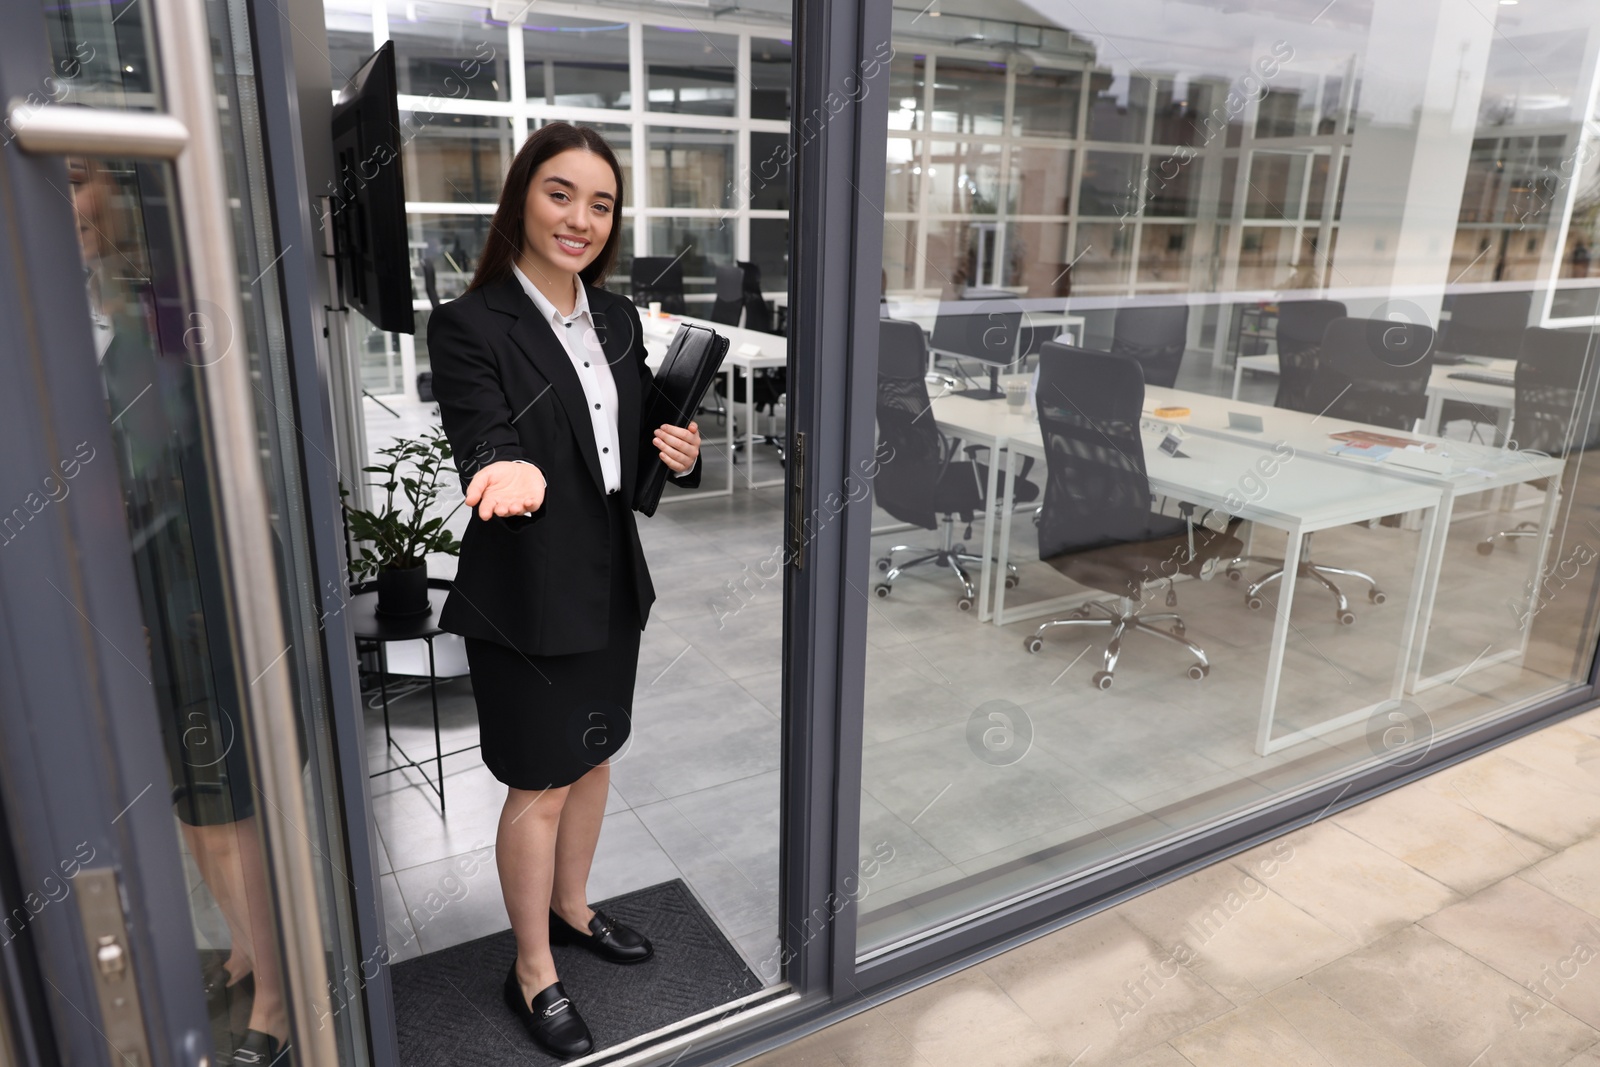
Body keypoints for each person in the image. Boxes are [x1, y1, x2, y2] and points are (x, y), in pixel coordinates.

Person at [427, 122, 703, 1060]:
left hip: (610, 578)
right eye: (559, 193)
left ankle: (576, 908)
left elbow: (642, 435)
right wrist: (504, 466)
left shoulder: (621, 319)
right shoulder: (470, 323)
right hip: (526, 588)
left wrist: (681, 450)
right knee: (537, 784)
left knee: (593, 759)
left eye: (601, 202)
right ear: (520, 200)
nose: (580, 218)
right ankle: (533, 968)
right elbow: (483, 428)